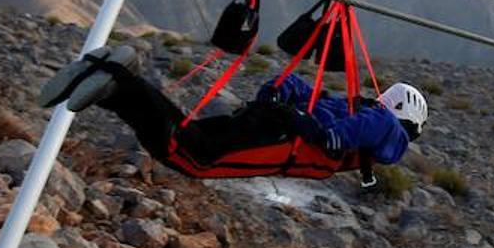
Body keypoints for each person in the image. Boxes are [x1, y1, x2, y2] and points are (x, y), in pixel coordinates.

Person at [39, 45, 428, 179]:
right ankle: (123, 82)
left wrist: (277, 93)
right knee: (192, 157)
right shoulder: (386, 129)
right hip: (283, 139)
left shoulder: (349, 107)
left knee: (187, 136)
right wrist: (306, 125)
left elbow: (303, 91)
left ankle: (114, 79)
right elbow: (345, 135)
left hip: (273, 123)